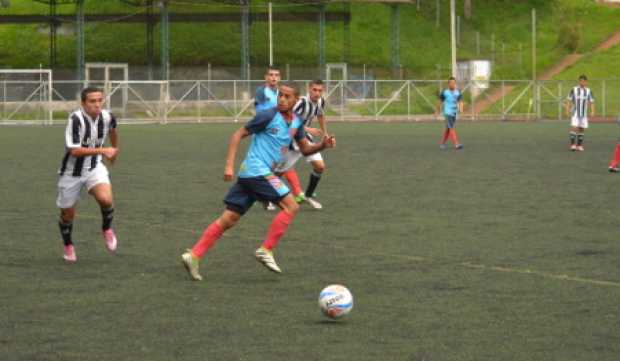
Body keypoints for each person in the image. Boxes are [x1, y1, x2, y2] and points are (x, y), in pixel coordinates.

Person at [181, 83, 336, 281]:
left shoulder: (297, 122)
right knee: (291, 206)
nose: (281, 99)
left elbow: (304, 149)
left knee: (228, 220)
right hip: (256, 170)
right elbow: (238, 134)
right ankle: (266, 250)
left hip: (253, 175)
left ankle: (194, 255)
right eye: (280, 95)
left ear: (296, 100)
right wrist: (229, 166)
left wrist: (323, 145)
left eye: (287, 96)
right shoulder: (268, 115)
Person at [56, 87, 119, 262]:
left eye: (100, 100)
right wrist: (103, 149)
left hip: (94, 167)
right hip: (71, 173)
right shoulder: (75, 119)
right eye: (92, 101)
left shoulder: (108, 117)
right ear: (83, 103)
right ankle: (68, 245)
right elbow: (75, 151)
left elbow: (113, 131)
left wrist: (114, 149)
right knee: (67, 215)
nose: (97, 104)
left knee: (106, 199)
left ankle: (107, 229)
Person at [273, 79, 329, 209]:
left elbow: (320, 115)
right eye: (314, 90)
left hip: (305, 138)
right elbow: (288, 119)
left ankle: (308, 195)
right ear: (309, 89)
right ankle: (265, 195)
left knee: (320, 166)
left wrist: (325, 133)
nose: (317, 93)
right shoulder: (301, 102)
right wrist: (309, 129)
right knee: (278, 173)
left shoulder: (321, 101)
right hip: (292, 138)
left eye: (320, 90)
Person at [255, 66, 281, 210]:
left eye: (276, 75)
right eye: (271, 75)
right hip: (265, 132)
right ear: (266, 77)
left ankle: (262, 194)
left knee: (274, 165)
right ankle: (267, 198)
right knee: (265, 165)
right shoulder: (261, 91)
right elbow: (259, 112)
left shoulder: (281, 93)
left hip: (277, 134)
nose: (273, 78)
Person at [565, 75, 595, 152]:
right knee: (574, 127)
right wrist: (567, 110)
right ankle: (572, 145)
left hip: (584, 114)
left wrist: (592, 111)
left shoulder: (588, 91)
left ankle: (579, 145)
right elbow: (569, 100)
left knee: (581, 129)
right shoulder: (574, 89)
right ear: (579, 81)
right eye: (581, 81)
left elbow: (592, 102)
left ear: (586, 82)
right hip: (575, 113)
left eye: (584, 81)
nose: (582, 82)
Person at [437, 77, 464, 150]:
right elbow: (439, 101)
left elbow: (460, 101)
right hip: (447, 112)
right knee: (451, 127)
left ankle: (442, 144)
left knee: (448, 129)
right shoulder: (445, 92)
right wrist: (437, 110)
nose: (453, 84)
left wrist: (461, 109)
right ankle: (456, 144)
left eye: (454, 83)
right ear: (448, 84)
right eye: (451, 83)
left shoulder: (457, 92)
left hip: (454, 113)